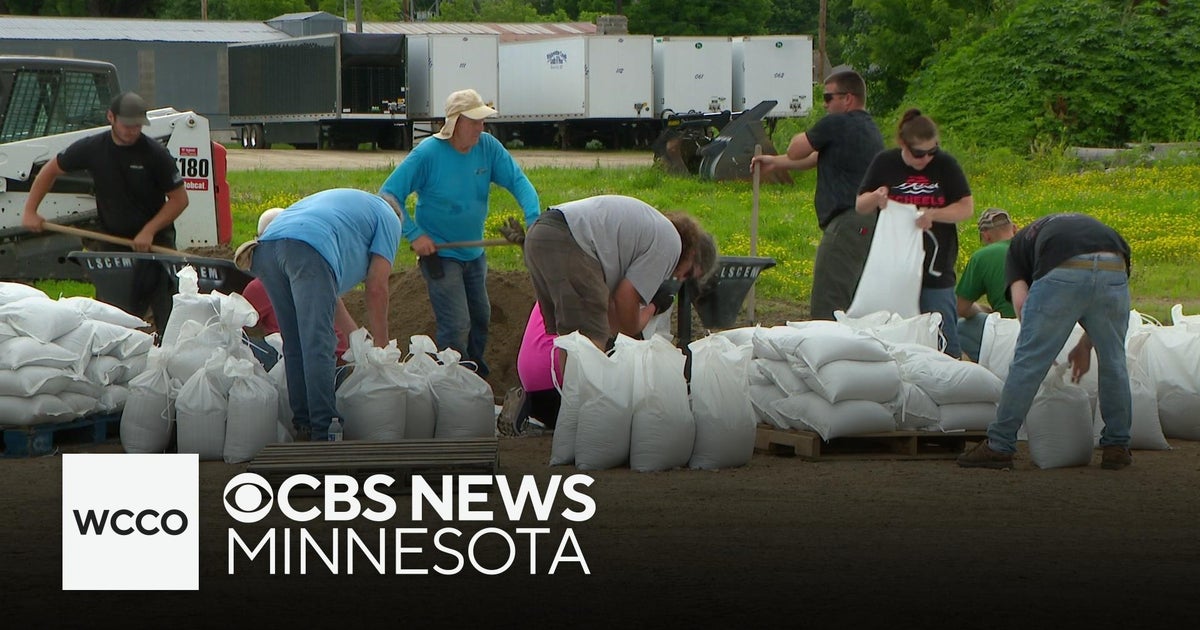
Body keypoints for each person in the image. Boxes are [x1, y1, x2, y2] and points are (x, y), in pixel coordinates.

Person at [379, 88, 540, 377]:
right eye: (475, 121)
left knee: (481, 317)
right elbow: (389, 195)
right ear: (455, 124)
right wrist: (414, 234)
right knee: (456, 323)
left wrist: (534, 219)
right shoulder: (428, 154)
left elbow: (518, 181)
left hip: (474, 255)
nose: (482, 127)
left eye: (482, 121)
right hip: (441, 255)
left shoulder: (487, 147)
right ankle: (453, 378)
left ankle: (473, 369)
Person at [958, 213, 1133, 470]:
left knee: (1026, 364)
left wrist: (1036, 343)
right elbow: (1098, 295)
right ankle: (1117, 445)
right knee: (1114, 361)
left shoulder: (1017, 250)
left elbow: (1020, 302)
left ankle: (999, 445)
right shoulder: (1068, 227)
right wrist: (1085, 345)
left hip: (1064, 268)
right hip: (1115, 263)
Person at [21, 91, 189, 331]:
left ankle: (167, 348)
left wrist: (149, 231)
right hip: (112, 241)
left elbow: (179, 199)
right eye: (127, 125)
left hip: (154, 243)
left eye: (137, 126)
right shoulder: (93, 148)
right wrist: (30, 211)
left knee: (166, 307)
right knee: (112, 311)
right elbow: (50, 170)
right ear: (111, 117)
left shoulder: (155, 155)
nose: (132, 131)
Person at [251, 188, 401, 441]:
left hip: (267, 248)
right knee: (319, 343)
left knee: (296, 341)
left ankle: (304, 425)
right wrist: (382, 345)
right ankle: (325, 430)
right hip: (306, 246)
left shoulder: (350, 213)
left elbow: (332, 303)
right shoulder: (389, 218)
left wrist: (361, 345)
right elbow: (377, 286)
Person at [751, 69, 884, 320]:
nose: (824, 104)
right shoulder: (865, 127)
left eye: (828, 97)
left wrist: (791, 147)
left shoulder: (839, 122)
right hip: (864, 221)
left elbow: (796, 149)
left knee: (829, 300)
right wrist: (775, 162)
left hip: (847, 221)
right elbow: (813, 158)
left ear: (848, 98)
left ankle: (829, 350)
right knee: (847, 295)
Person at [522, 194, 716, 350]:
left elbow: (614, 316)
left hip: (541, 233)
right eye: (688, 273)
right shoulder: (670, 243)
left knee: (573, 340)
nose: (679, 278)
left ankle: (572, 397)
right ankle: (584, 399)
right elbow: (625, 304)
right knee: (589, 339)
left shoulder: (642, 237)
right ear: (692, 252)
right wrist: (653, 307)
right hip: (568, 238)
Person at [857, 109, 974, 358]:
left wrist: (933, 214)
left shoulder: (945, 164)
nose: (927, 159)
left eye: (933, 151)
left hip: (936, 265)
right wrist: (877, 197)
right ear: (903, 144)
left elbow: (966, 208)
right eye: (919, 153)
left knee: (943, 336)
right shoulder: (885, 162)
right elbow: (860, 205)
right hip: (893, 267)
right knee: (891, 333)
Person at [238, 208, 352, 368]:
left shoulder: (260, 287)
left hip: (305, 363)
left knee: (238, 342)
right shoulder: (320, 274)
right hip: (340, 359)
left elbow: (237, 325)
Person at [956, 208, 1019, 361]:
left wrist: (983, 310)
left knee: (955, 328)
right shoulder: (1034, 247)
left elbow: (961, 308)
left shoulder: (982, 256)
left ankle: (992, 365)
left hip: (1009, 330)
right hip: (1047, 325)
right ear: (1015, 229)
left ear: (985, 236)